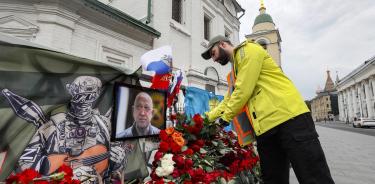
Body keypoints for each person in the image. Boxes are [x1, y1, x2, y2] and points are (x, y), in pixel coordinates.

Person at [201, 35, 334, 184]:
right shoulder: (234, 73)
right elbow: (228, 100)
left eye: (213, 53)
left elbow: (243, 91)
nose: (214, 59)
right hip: (265, 129)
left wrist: (224, 120)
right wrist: (205, 119)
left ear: (222, 44)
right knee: (273, 180)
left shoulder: (248, 51)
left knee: (314, 177)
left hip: (290, 120)